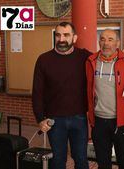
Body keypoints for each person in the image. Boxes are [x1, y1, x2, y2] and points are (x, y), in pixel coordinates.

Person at [32, 22, 91, 169]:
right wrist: (40, 118)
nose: (61, 39)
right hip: (54, 120)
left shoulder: (85, 57)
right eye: (58, 35)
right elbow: (37, 92)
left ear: (74, 38)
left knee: (81, 159)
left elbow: (107, 57)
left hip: (79, 118)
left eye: (66, 35)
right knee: (58, 160)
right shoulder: (43, 60)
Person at [86, 29, 124, 169]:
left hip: (121, 122)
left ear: (118, 43)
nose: (106, 43)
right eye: (102, 39)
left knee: (123, 163)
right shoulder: (91, 61)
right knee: (103, 163)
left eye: (110, 39)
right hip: (99, 121)